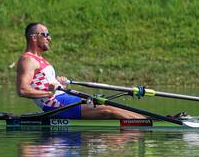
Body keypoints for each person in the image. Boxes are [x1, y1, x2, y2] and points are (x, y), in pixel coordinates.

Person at [16, 22, 144, 119]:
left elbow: (46, 83)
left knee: (110, 105)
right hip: (55, 104)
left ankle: (148, 120)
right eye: (45, 34)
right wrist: (48, 93)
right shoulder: (28, 60)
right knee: (108, 110)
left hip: (64, 99)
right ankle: (149, 123)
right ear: (33, 37)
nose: (49, 38)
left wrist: (59, 83)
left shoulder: (41, 60)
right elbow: (22, 90)